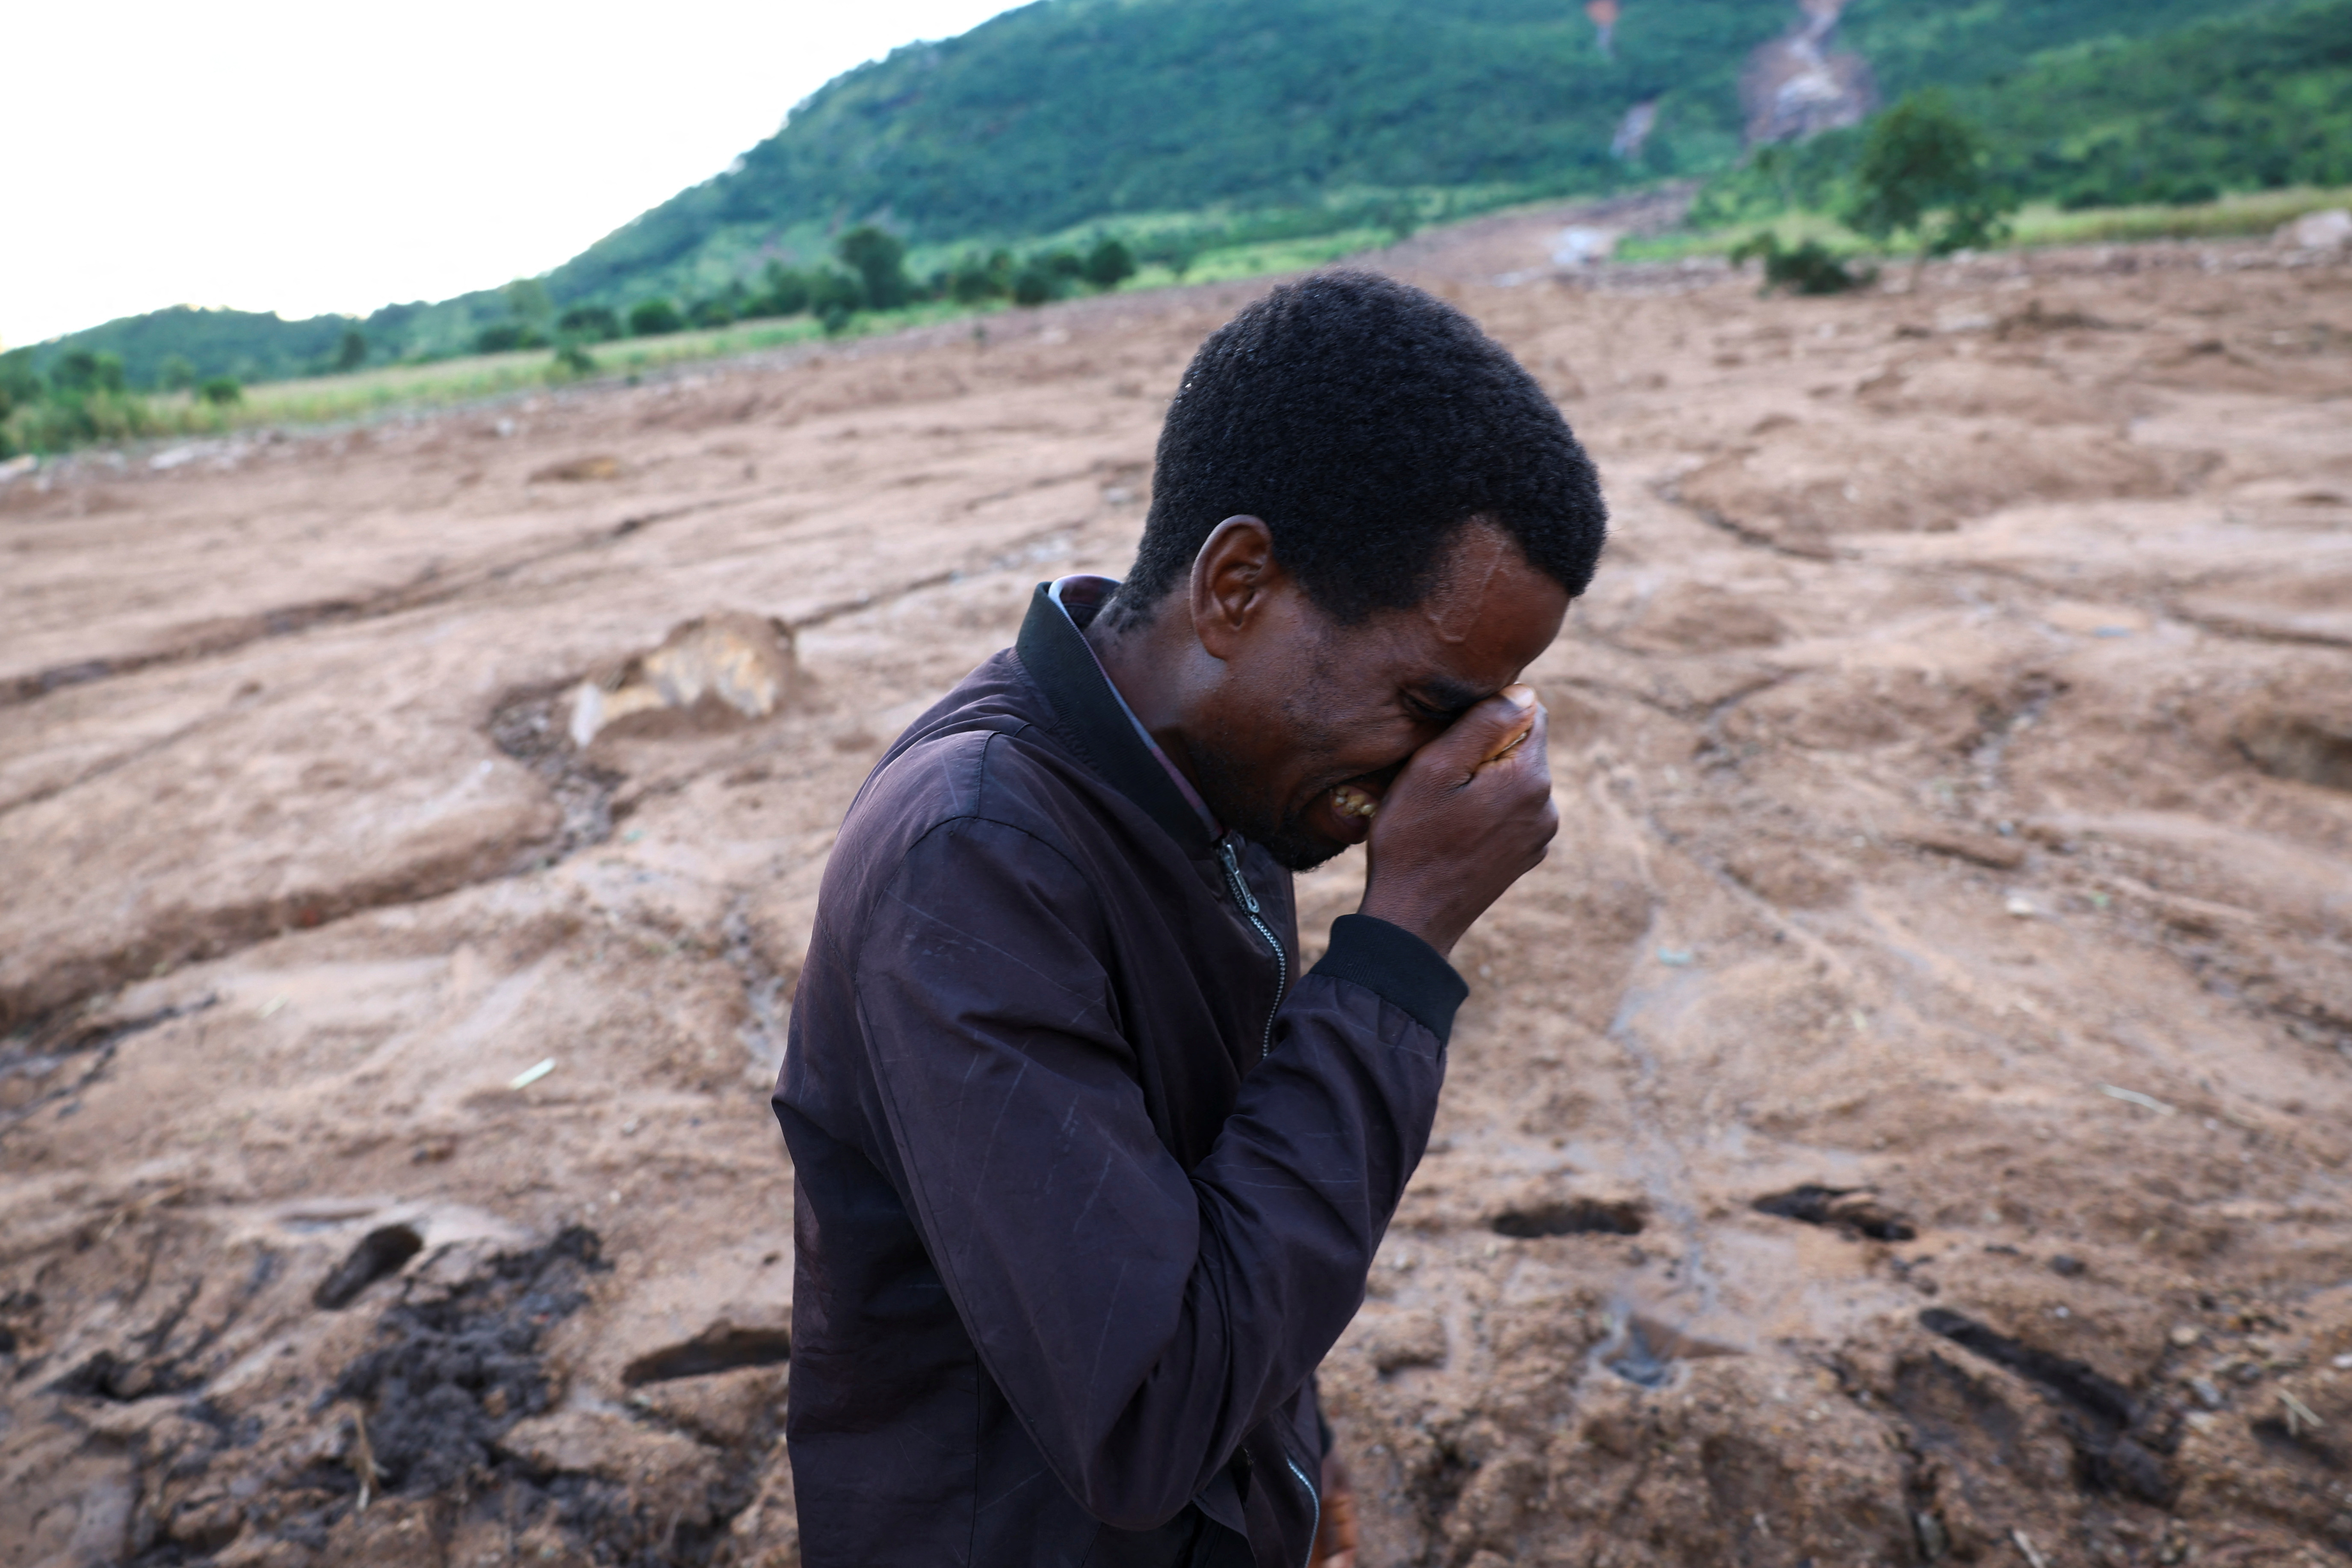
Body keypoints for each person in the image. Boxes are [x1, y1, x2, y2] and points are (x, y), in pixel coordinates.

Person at [772, 269, 1608, 1567]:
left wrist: (1300, 1458)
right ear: (1235, 585)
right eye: (1428, 704)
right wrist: (1398, 953)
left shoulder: (1211, 787)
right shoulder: (973, 859)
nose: (1436, 767)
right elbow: (1147, 1408)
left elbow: (1218, 1197)